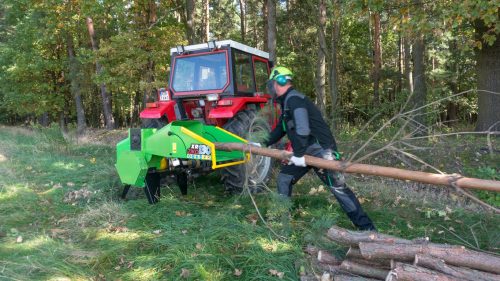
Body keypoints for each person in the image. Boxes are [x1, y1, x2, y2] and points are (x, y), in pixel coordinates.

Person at [262, 66, 376, 231]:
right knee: (284, 178)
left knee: (338, 188)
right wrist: (261, 142)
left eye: (271, 84)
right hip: (304, 152)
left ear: (278, 82)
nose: (271, 88)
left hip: (322, 151)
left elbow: (302, 128)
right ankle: (283, 223)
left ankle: (368, 229)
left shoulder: (295, 100)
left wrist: (299, 154)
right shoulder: (287, 104)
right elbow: (280, 129)